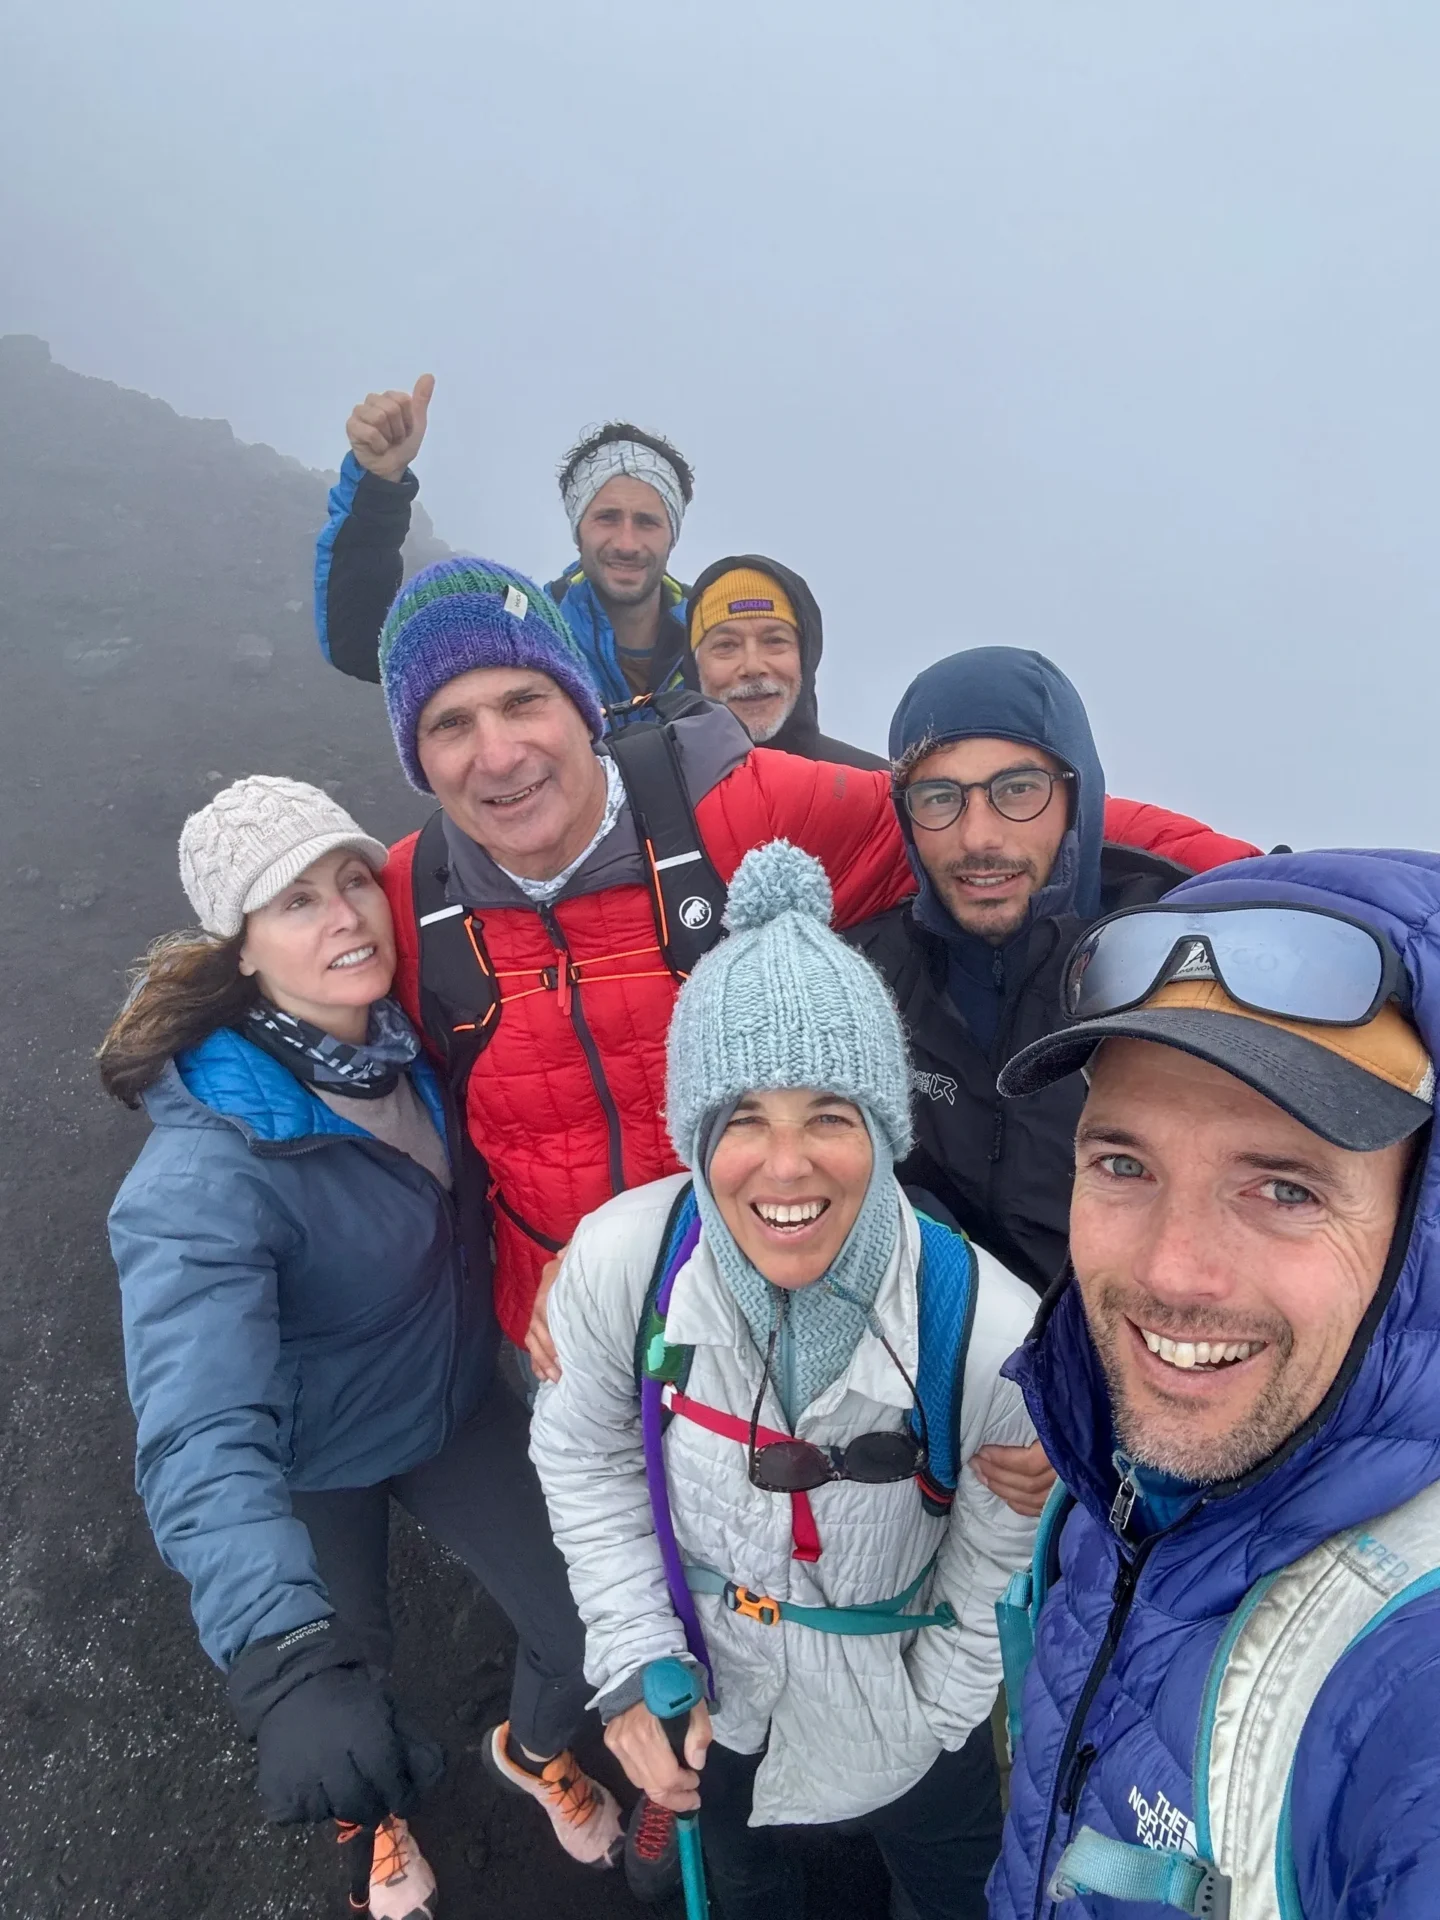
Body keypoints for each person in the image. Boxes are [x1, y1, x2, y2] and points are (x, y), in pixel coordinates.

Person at [100, 776, 627, 1920]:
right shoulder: (206, 1173)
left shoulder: (419, 1042)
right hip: (312, 1456)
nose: (346, 915)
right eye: (295, 902)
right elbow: (198, 1427)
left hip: (449, 1408)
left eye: (350, 880)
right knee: (352, 1672)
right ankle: (373, 1813)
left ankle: (532, 1752)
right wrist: (286, 1657)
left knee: (591, 1628)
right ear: (239, 950)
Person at [529, 840, 1041, 1920]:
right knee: (749, 1891)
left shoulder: (989, 1327)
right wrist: (635, 1662)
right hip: (713, 1705)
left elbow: (999, 1542)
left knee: (961, 1896)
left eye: (831, 1116)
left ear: (886, 1131)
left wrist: (937, 1715)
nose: (786, 1162)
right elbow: (586, 1454)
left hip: (912, 1725)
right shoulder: (626, 1263)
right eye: (743, 1119)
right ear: (693, 1135)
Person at [987, 850, 1440, 1918]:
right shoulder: (1122, 1482)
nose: (1169, 1272)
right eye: (1125, 1165)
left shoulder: (1407, 1691)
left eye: (1284, 1187)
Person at [849, 649, 1260, 1292]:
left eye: (1018, 789)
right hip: (939, 1357)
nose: (978, 836)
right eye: (939, 796)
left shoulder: (1187, 972)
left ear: (1077, 794)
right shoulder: (863, 978)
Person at [317, 377, 694, 710]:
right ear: (578, 529)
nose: (627, 543)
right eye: (607, 518)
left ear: (672, 534)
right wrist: (378, 488)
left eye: (647, 522)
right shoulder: (523, 627)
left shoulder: (724, 632)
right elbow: (362, 645)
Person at [683, 553, 886, 768]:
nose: (752, 667)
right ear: (695, 664)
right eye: (726, 645)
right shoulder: (653, 786)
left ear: (805, 657)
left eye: (774, 641)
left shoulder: (874, 789)